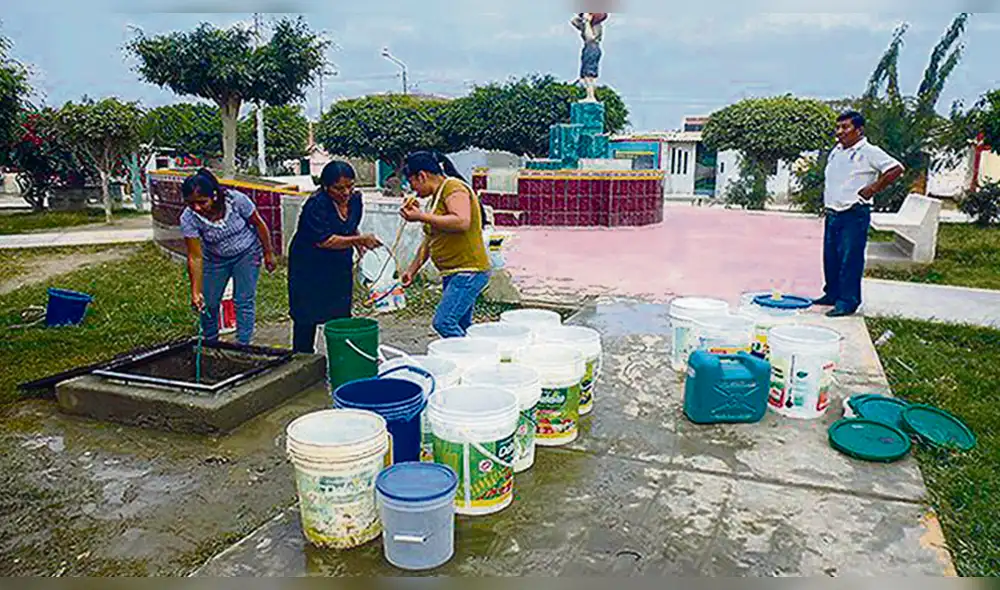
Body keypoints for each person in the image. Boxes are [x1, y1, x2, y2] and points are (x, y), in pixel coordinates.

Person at [813, 111, 904, 317]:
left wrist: (873, 188)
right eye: (838, 127)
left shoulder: (869, 151)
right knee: (831, 257)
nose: (840, 132)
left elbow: (896, 169)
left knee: (849, 258)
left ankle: (848, 301)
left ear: (859, 130)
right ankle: (832, 294)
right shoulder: (836, 151)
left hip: (853, 213)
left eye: (845, 127)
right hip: (833, 212)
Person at [287, 160, 383, 353]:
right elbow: (324, 240)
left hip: (338, 264)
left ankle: (341, 356)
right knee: (306, 315)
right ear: (325, 186)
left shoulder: (355, 200)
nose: (346, 192)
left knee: (340, 313)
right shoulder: (316, 205)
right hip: (309, 266)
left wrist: (359, 246)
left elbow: (349, 226)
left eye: (350, 186)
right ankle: (303, 360)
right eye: (339, 188)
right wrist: (360, 240)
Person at [398, 151, 491, 338]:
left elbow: (462, 221)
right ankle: (467, 361)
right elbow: (430, 239)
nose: (412, 189)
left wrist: (420, 216)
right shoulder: (434, 199)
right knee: (462, 326)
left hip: (468, 271)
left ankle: (471, 356)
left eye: (411, 182)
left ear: (422, 176)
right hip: (454, 272)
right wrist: (412, 270)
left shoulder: (453, 188)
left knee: (444, 322)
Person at [180, 168, 276, 345]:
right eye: (190, 203)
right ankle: (210, 343)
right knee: (208, 302)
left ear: (214, 196)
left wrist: (268, 253)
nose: (197, 208)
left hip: (246, 253)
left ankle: (243, 345)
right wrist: (195, 292)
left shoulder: (236, 200)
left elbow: (259, 224)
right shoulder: (189, 218)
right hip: (215, 258)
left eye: (202, 202)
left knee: (243, 300)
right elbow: (195, 256)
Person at [570, 12, 607, 102]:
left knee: (589, 74)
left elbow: (590, 37)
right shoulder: (588, 25)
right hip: (589, 48)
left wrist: (587, 22)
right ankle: (590, 95)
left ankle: (591, 96)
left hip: (592, 47)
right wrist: (583, 17)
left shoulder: (595, 27)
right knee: (587, 74)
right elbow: (574, 21)